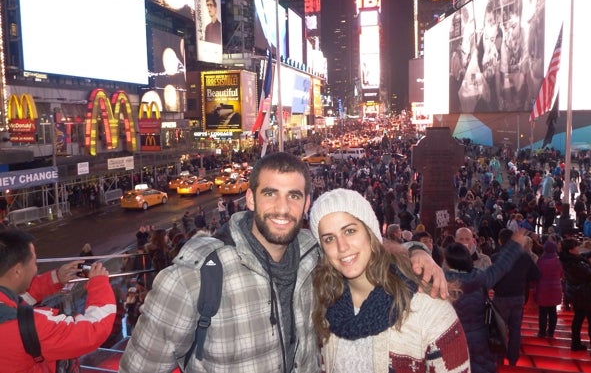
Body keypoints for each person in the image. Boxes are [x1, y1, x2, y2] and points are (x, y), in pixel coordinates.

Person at [119, 152, 447, 373]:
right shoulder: (192, 280)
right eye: (270, 193)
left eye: (293, 196)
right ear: (249, 199)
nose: (281, 207)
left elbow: (365, 245)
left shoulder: (315, 253)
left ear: (306, 204)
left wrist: (417, 249)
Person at [309, 188, 470, 372]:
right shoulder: (324, 305)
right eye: (329, 239)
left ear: (371, 233)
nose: (342, 246)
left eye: (350, 231)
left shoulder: (428, 307)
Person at [0, 229, 116, 372]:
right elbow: (93, 330)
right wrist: (99, 283)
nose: (36, 269)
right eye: (35, 263)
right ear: (17, 270)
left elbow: (16, 300)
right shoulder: (30, 326)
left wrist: (56, 278)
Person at [444, 229, 527, 373]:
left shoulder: (440, 283)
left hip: (452, 338)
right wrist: (515, 245)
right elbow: (502, 265)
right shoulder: (481, 279)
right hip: (480, 338)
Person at [491, 229, 540, 366]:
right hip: (518, 296)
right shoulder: (524, 256)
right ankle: (513, 359)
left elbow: (491, 279)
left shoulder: (496, 257)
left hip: (500, 297)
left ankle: (499, 359)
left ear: (500, 241)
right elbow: (536, 275)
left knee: (499, 330)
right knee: (515, 329)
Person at [559, 237, 591, 359]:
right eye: (576, 246)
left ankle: (575, 343)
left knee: (578, 318)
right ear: (571, 250)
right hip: (587, 295)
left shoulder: (567, 259)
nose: (578, 248)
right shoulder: (576, 264)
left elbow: (582, 256)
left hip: (577, 294)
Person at [534, 240, 563, 338]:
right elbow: (561, 274)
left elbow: (537, 275)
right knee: (553, 311)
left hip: (542, 289)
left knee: (542, 312)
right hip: (555, 289)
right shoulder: (558, 261)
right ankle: (551, 332)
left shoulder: (540, 260)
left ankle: (541, 332)